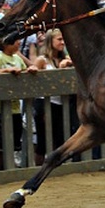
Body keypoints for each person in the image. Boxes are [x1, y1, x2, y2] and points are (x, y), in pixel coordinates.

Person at [0, 36, 38, 170]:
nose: (19, 42)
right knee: (0, 147)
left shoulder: (17, 58)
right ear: (6, 43)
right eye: (16, 40)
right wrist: (5, 71)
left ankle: (10, 171)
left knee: (14, 145)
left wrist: (29, 71)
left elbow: (26, 70)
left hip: (16, 109)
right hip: (1, 109)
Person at [32, 29, 73, 166]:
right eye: (59, 39)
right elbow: (32, 73)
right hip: (44, 103)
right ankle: (38, 169)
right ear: (51, 41)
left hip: (61, 103)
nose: (62, 42)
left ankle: (57, 168)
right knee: (43, 140)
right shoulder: (42, 60)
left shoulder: (65, 59)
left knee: (60, 139)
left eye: (63, 39)